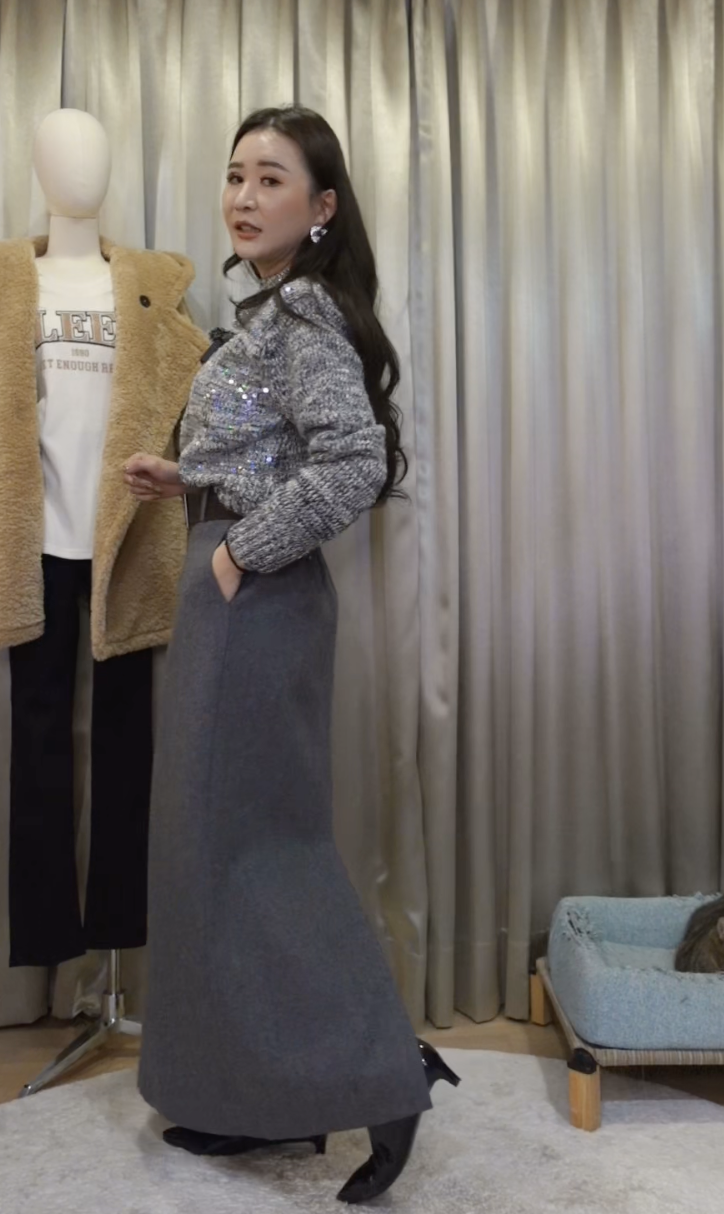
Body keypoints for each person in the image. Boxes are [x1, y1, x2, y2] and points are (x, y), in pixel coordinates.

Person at [124, 105, 459, 1205]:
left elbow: (353, 461)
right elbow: (277, 453)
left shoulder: (304, 309)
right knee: (213, 849)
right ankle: (258, 1095)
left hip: (253, 599)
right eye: (235, 174)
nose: (244, 195)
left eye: (271, 178)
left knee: (257, 850)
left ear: (321, 208)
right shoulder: (265, 311)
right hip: (229, 586)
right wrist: (189, 481)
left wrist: (239, 551)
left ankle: (385, 1072)